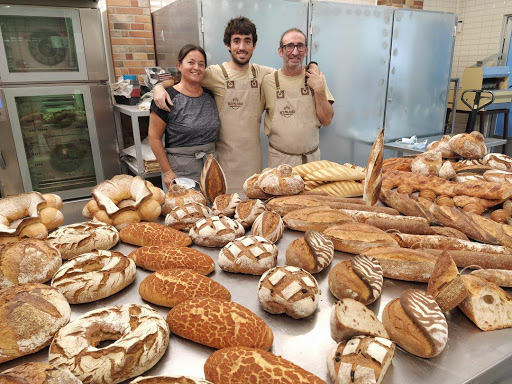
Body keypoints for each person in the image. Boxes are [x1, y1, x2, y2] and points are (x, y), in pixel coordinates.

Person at [153, 17, 274, 194]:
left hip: (252, 160)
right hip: (223, 161)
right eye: (236, 41)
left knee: (252, 205)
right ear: (227, 45)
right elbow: (184, 77)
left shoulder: (263, 74)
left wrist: (313, 67)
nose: (242, 47)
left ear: (254, 45)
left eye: (247, 41)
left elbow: (289, 73)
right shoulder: (215, 73)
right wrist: (158, 87)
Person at [261, 28, 334, 168]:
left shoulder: (316, 78)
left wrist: (319, 89)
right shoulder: (269, 82)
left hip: (311, 163)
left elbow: (327, 120)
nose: (295, 52)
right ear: (280, 51)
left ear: (305, 51)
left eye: (300, 46)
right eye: (289, 46)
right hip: (279, 162)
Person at [149, 44, 219, 188]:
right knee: (187, 210)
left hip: (210, 166)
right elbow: (154, 138)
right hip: (181, 169)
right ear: (179, 65)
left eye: (201, 64)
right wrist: (167, 171)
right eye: (191, 62)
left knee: (212, 209)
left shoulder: (210, 96)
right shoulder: (167, 98)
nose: (196, 67)